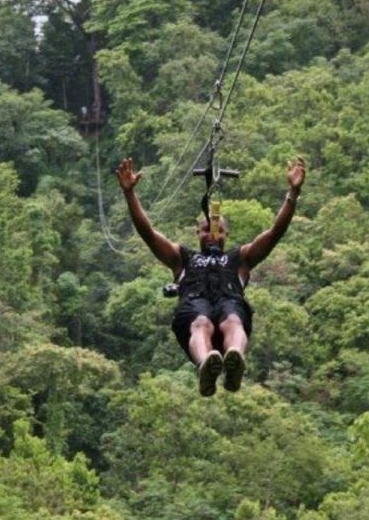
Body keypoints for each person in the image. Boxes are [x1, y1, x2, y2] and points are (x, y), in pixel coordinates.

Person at [116, 156, 306, 396]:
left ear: (226, 233)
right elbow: (149, 234)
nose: (211, 235)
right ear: (197, 232)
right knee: (201, 322)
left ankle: (234, 358)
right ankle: (206, 364)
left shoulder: (240, 260)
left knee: (233, 319)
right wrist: (130, 194)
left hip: (229, 305)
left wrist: (293, 193)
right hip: (196, 308)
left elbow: (274, 233)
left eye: (217, 230)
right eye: (206, 230)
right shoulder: (182, 258)